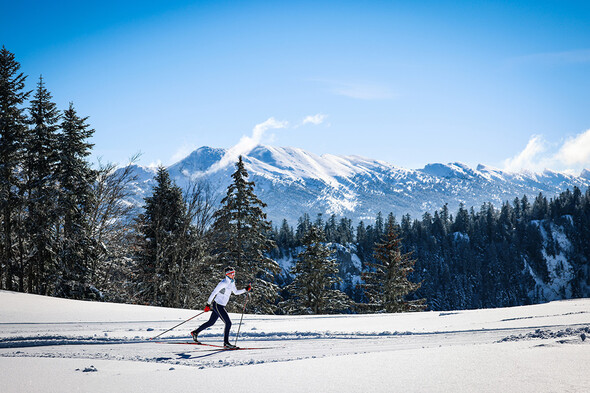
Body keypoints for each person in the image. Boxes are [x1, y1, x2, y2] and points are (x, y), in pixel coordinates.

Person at [191, 266, 252, 349]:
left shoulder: (231, 282)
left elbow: (236, 292)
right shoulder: (223, 283)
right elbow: (214, 293)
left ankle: (195, 332)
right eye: (232, 274)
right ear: (227, 274)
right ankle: (226, 343)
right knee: (228, 323)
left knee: (211, 322)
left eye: (234, 273)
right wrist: (208, 304)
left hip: (221, 305)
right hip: (218, 305)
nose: (234, 275)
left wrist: (245, 289)